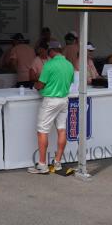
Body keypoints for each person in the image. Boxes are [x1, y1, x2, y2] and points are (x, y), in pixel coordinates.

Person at [28, 44, 74, 174]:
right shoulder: (69, 64)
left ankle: (42, 164)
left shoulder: (49, 65)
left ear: (52, 52)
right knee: (61, 129)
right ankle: (57, 162)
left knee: (42, 131)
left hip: (50, 101)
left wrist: (36, 86)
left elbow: (40, 84)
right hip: (64, 100)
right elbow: (70, 82)